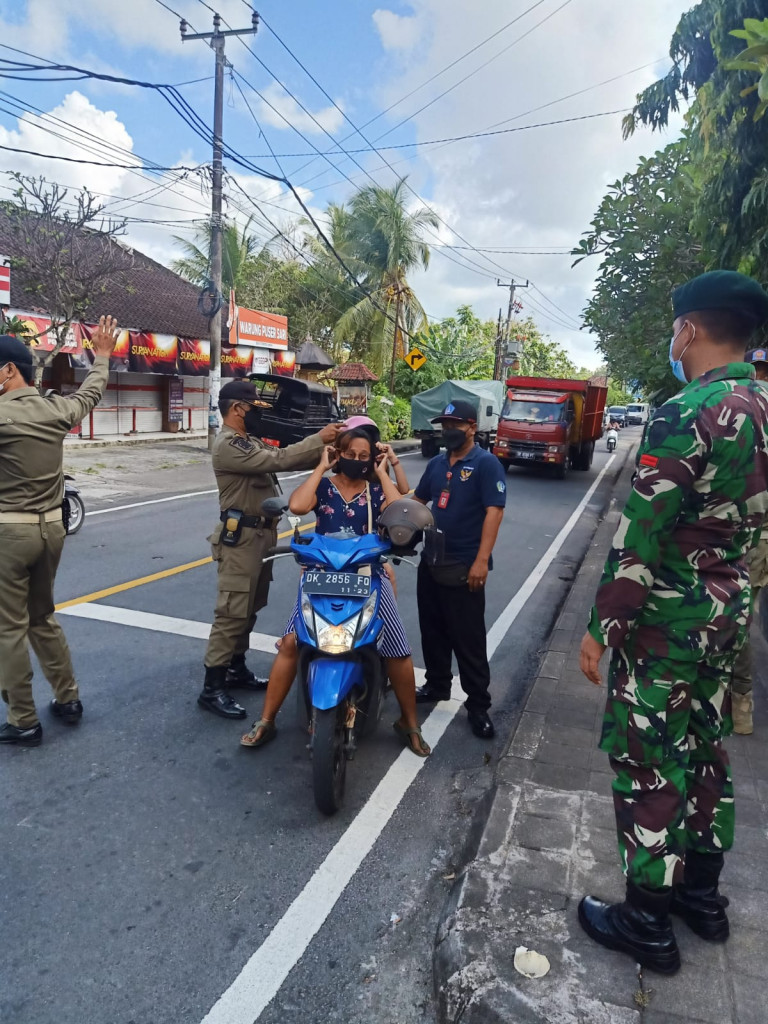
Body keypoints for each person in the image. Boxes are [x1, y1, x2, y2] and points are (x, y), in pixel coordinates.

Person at [578, 270, 768, 974]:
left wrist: (603, 628)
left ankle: (646, 919)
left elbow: (642, 536)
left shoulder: (688, 411)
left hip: (667, 621)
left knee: (649, 760)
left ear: (688, 328)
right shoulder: (763, 405)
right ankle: (702, 897)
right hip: (728, 613)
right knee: (706, 747)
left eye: (674, 327)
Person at [240, 426, 430, 757]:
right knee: (291, 642)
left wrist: (381, 472)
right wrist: (320, 467)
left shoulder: (374, 490)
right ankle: (266, 720)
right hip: (321, 575)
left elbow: (399, 511)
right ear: (337, 454)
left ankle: (410, 723)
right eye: (350, 454)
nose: (356, 460)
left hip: (367, 575)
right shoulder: (325, 487)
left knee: (397, 649)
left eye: (363, 456)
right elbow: (298, 506)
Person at [0, 317, 120, 747]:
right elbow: (90, 393)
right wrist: (101, 356)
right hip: (53, 528)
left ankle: (23, 720)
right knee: (42, 617)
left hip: (9, 534)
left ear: (8, 371)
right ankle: (68, 699)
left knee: (9, 629)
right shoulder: (55, 410)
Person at [198, 379, 341, 720]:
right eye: (254, 408)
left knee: (249, 608)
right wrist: (319, 438)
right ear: (238, 409)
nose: (258, 415)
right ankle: (212, 687)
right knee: (232, 612)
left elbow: (288, 459)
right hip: (241, 540)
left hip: (260, 536)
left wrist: (327, 454)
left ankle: (236, 668)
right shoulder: (230, 444)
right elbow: (279, 459)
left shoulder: (248, 439)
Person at [412, 399, 507, 739]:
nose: (448, 431)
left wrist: (481, 561)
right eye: (445, 425)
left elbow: (494, 511)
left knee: (468, 639)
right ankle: (437, 684)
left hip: (465, 564)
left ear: (471, 427)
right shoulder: (437, 463)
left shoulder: (485, 464)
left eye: (455, 425)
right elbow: (418, 501)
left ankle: (478, 705)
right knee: (432, 630)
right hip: (432, 561)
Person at [730, 347, 768, 734]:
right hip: (747, 533)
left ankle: (741, 706)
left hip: (756, 538)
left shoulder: (740, 410)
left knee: (739, 620)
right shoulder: (740, 411)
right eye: (756, 371)